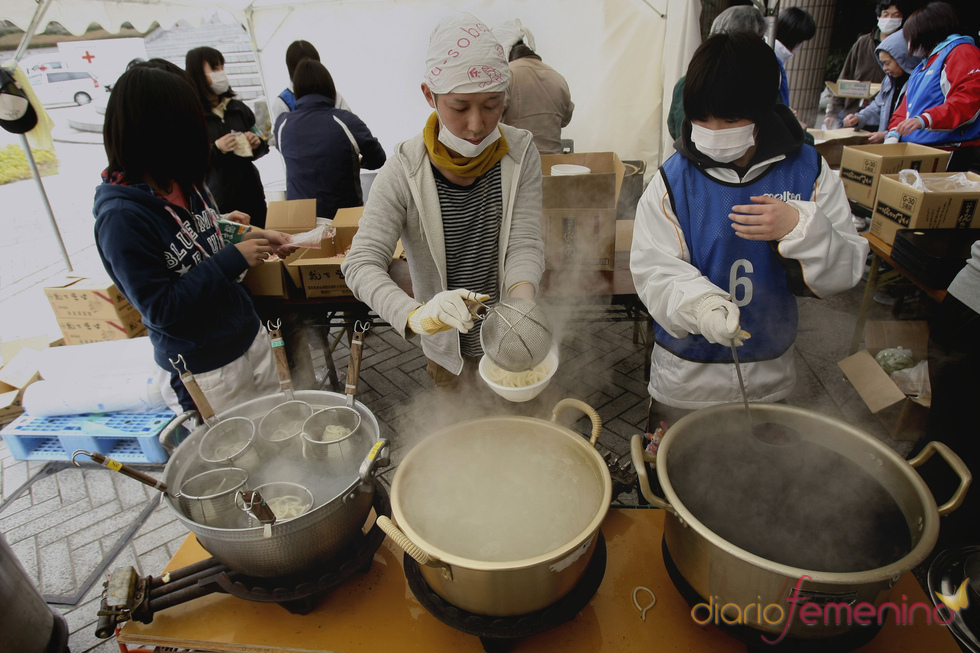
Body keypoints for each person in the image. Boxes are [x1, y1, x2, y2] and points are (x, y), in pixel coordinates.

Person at [630, 32, 868, 431]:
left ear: (763, 109)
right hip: (685, 379)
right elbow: (654, 269)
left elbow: (846, 271)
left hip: (770, 378)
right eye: (701, 117)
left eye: (730, 118)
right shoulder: (674, 180)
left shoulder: (808, 170)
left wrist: (802, 226)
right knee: (671, 480)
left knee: (759, 484)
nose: (713, 130)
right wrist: (701, 305)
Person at [341, 12, 545, 390]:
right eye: (459, 106)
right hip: (447, 357)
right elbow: (360, 263)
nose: (476, 124)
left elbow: (525, 240)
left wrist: (520, 308)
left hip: (511, 342)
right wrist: (417, 316)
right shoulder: (404, 170)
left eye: (491, 104)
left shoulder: (520, 153)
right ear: (428, 95)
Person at [94, 65, 297, 416]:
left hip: (248, 335)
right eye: (189, 125)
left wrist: (255, 235)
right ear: (155, 132)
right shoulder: (121, 218)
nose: (198, 134)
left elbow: (197, 243)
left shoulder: (184, 181)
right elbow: (161, 308)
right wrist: (233, 257)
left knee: (281, 430)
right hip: (203, 369)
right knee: (238, 464)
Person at [274, 60, 386, 219]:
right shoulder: (346, 121)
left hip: (299, 218)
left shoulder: (282, 125)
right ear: (330, 89)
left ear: (297, 91)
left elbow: (288, 152)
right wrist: (357, 162)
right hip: (343, 217)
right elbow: (378, 158)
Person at [885, 1, 980, 173]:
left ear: (925, 33)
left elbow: (968, 101)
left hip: (950, 152)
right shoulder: (922, 67)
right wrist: (893, 134)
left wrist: (925, 119)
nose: (909, 44)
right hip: (919, 151)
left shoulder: (961, 52)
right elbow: (905, 110)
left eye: (910, 37)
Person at [186, 46, 270, 228]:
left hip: (252, 194)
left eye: (222, 68)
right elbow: (190, 160)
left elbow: (263, 141)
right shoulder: (192, 116)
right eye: (215, 68)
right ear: (198, 74)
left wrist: (257, 143)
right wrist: (216, 148)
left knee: (263, 244)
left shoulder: (238, 108)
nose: (221, 73)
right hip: (220, 199)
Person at [667, 5, 766, 141]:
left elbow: (674, 127)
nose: (714, 130)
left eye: (730, 120)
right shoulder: (754, 83)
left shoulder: (687, 81)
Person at [491, 19, 574, 155]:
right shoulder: (557, 77)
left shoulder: (507, 76)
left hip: (519, 166)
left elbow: (492, 122)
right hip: (554, 165)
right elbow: (565, 119)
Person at [824, 1, 907, 129]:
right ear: (878, 16)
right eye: (886, 14)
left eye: (896, 15)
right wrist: (833, 113)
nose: (890, 19)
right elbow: (844, 79)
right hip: (853, 116)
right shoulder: (863, 43)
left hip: (885, 121)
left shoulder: (906, 47)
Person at [842, 29, 922, 143]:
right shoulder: (888, 80)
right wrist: (859, 118)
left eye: (887, 63)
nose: (884, 68)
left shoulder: (918, 82)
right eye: (882, 63)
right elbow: (878, 106)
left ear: (902, 59)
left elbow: (914, 119)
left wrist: (886, 135)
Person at [269, 40, 351, 127]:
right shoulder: (283, 102)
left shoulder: (333, 95)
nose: (309, 70)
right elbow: (283, 136)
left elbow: (350, 124)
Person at [774, 7, 817, 107]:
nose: (800, 46)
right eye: (801, 41)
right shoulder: (772, 61)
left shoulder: (767, 51)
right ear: (793, 39)